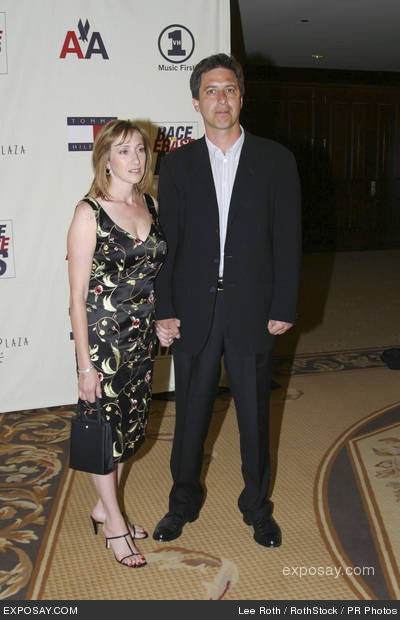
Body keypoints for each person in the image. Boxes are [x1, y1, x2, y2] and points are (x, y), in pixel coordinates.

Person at [153, 54, 301, 548]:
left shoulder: (276, 160)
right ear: (196, 102)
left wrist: (284, 304)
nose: (221, 99)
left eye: (230, 89)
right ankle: (182, 503)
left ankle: (257, 508)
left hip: (253, 309)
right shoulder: (178, 165)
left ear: (242, 97)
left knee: (255, 419)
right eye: (211, 90)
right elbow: (168, 242)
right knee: (190, 418)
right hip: (193, 310)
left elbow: (287, 238)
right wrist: (164, 309)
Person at [67, 119, 166, 567]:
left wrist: (161, 320)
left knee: (129, 430)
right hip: (103, 343)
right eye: (123, 150)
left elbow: (155, 275)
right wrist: (85, 367)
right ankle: (114, 524)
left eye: (140, 149)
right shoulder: (89, 213)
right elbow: (76, 298)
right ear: (105, 159)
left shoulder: (150, 203)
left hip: (141, 339)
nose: (135, 159)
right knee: (104, 433)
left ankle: (102, 507)